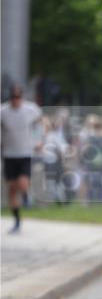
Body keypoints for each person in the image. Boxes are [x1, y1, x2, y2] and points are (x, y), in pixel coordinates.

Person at [1, 85, 42, 233]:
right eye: (13, 97)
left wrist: (38, 140)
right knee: (12, 189)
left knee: (23, 183)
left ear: (22, 98)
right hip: (9, 154)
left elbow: (41, 124)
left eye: (18, 97)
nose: (15, 100)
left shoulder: (30, 109)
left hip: (25, 153)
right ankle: (17, 221)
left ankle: (25, 194)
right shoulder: (3, 112)